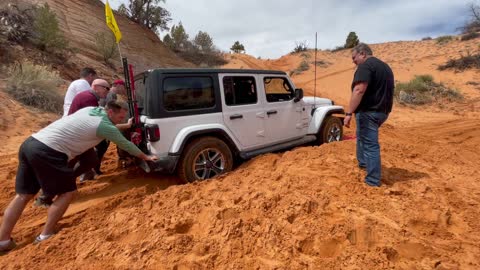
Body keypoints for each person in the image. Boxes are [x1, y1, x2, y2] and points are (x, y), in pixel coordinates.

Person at [0, 100, 158, 253]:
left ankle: (3, 241)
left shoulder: (91, 110)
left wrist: (126, 125)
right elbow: (125, 144)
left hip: (31, 143)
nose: (122, 119)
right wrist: (146, 157)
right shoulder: (103, 126)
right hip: (48, 152)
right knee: (68, 192)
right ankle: (45, 235)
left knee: (23, 195)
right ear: (110, 112)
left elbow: (108, 126)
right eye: (120, 117)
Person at [344, 43, 394, 187]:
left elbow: (359, 90)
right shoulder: (385, 67)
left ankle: (372, 180)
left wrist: (349, 113)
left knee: (370, 145)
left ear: (363, 54)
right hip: (382, 111)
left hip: (369, 112)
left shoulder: (365, 66)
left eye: (354, 58)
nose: (353, 61)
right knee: (362, 137)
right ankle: (363, 163)